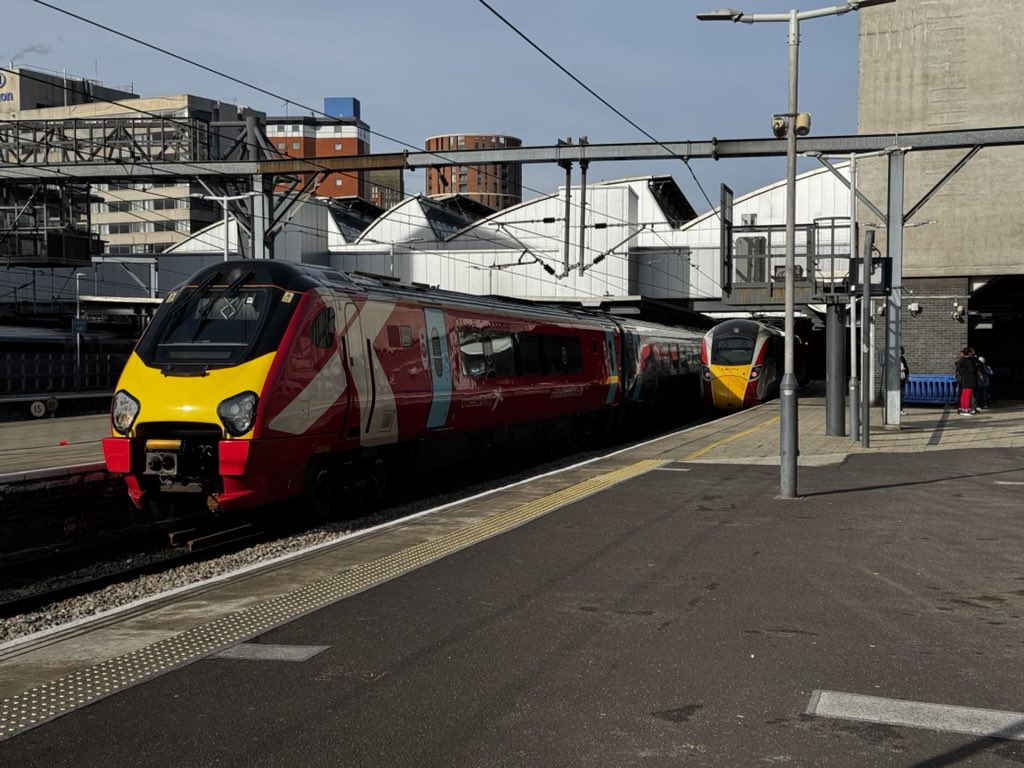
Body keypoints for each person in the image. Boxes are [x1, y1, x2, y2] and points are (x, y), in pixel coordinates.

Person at [955, 347, 979, 415]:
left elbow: (959, 369)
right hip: (969, 379)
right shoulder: (968, 360)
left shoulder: (961, 360)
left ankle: (963, 408)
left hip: (964, 379)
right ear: (969, 353)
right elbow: (972, 370)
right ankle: (965, 410)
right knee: (967, 395)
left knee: (964, 394)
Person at [899, 346, 910, 415]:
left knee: (901, 394)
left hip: (901, 378)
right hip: (900, 378)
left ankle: (900, 409)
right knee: (900, 394)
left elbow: (906, 368)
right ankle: (899, 409)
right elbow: (904, 368)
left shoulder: (902, 358)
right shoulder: (900, 359)